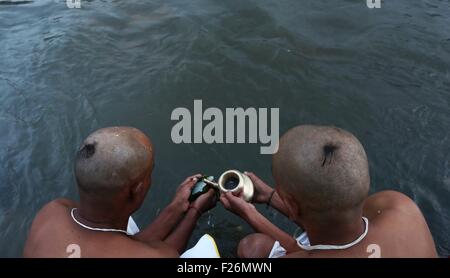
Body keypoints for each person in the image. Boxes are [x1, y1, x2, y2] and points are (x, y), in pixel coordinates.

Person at [220, 125, 438, 258]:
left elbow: (313, 251)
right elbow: (337, 236)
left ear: (292, 205)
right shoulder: (397, 205)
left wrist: (249, 214)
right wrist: (271, 197)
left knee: (251, 249)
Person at [24, 127, 217, 258]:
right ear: (137, 190)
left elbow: (112, 243)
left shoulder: (53, 211)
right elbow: (162, 253)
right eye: (150, 172)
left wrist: (176, 208)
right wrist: (194, 212)